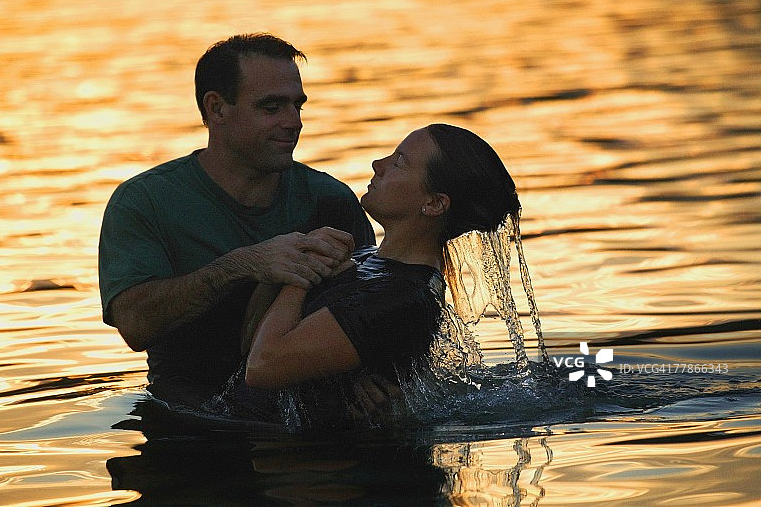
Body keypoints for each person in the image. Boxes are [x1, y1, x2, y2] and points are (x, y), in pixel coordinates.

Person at [98, 33, 375, 407]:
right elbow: (134, 325)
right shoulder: (144, 202)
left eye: (298, 106)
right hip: (189, 418)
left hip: (315, 412)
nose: (293, 122)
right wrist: (243, 265)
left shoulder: (331, 199)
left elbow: (375, 314)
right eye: (272, 107)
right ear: (216, 109)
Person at [217, 123, 521, 428]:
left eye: (399, 162)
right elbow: (250, 347)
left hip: (285, 457)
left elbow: (262, 367)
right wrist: (280, 269)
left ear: (433, 203)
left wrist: (304, 269)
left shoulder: (400, 298)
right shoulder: (366, 259)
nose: (378, 165)